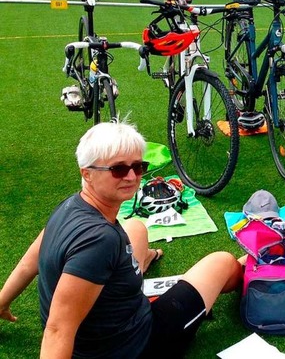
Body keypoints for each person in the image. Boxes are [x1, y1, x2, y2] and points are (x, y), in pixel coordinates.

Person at [0, 121, 244, 358]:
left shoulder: (70, 206)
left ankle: (142, 261)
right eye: (118, 169)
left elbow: (28, 263)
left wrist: (1, 302)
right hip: (135, 344)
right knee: (222, 263)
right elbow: (57, 329)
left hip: (101, 323)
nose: (131, 177)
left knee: (136, 227)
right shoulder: (99, 241)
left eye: (138, 167)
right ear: (87, 174)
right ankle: (249, 267)